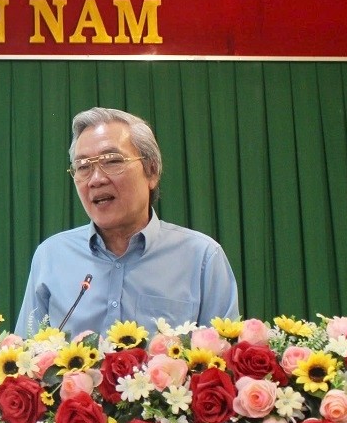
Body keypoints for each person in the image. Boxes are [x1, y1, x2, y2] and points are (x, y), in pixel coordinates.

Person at [16, 107, 239, 337]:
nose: (96, 179)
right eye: (83, 167)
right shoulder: (51, 256)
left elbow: (224, 355)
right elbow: (25, 352)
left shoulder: (202, 258)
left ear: (151, 171)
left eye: (112, 161)